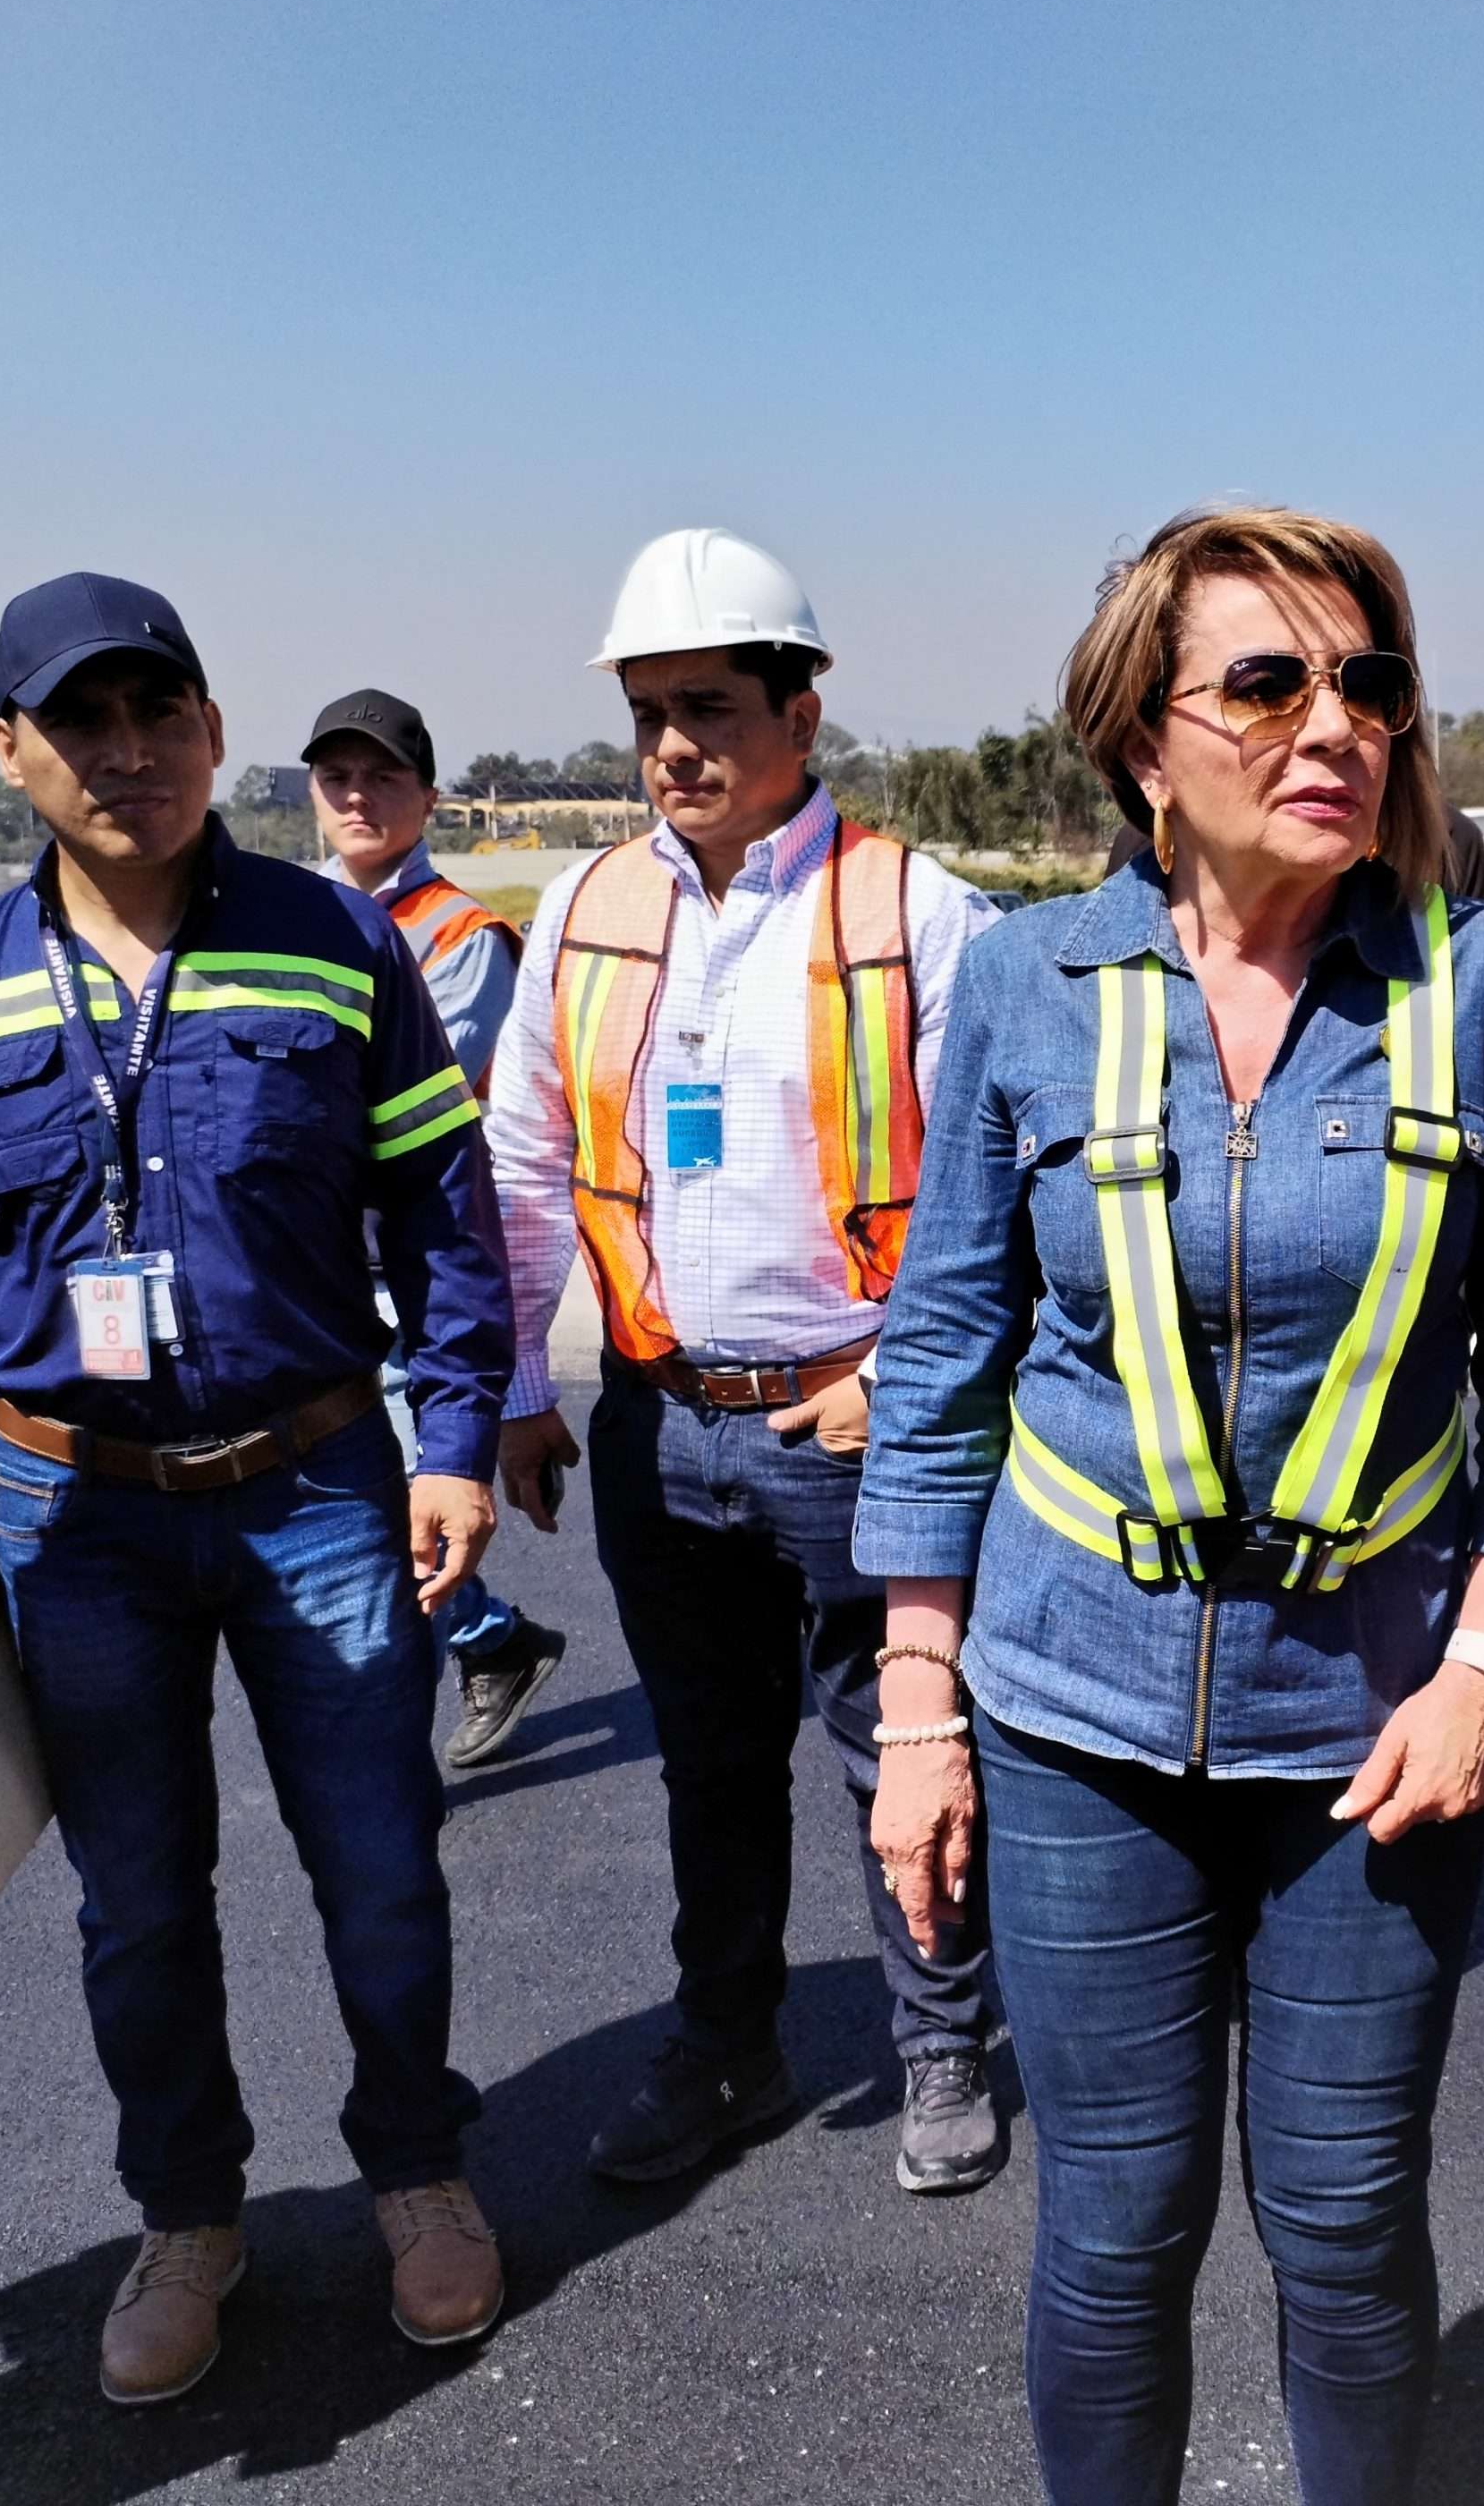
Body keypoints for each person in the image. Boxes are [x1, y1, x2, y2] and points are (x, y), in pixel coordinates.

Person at [852, 505, 1484, 2506]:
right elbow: (939, 1360)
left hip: (1378, 1721)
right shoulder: (1028, 983)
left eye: (1368, 684)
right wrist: (917, 1717)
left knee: (1348, 2221)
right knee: (1116, 2226)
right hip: (1071, 1705)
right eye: (1266, 683)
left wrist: (1481, 1675)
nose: (1333, 724)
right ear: (1142, 742)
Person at [0, 573, 513, 2403]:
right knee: (139, 1899)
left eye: (163, 714)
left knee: (380, 1864)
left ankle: (417, 2164)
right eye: (85, 723)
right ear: (10, 752)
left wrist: (454, 1434)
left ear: (215, 730)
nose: (131, 754)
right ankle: (190, 2212)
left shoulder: (336, 942)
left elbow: (440, 1214)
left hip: (315, 1484)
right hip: (72, 1517)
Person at [480, 528, 1007, 2197]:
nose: (672, 748)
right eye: (648, 713)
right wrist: (511, 1391)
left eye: (708, 705)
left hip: (855, 1423)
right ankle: (731, 2046)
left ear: (805, 707)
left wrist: (908, 1381)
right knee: (711, 1768)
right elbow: (522, 1158)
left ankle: (938, 2042)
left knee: (899, 1744)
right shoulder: (583, 905)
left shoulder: (921, 912)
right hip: (657, 1423)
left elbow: (999, 1201)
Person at [301, 687, 571, 1768]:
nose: (358, 797)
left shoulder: (462, 940)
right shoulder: (281, 913)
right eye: (337, 777)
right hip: (313, 1276)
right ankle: (492, 1642)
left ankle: (386, 1763)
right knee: (345, 1514)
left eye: (384, 777)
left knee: (388, 1517)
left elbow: (381, 1102)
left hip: (413, 1280)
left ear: (428, 796)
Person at [1102, 798, 1484, 902]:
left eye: (1367, 687)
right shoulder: (1146, 847)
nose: (1331, 728)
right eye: (1264, 693)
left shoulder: (1446, 842)